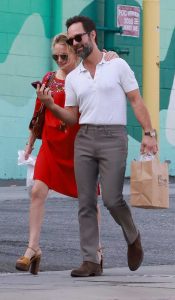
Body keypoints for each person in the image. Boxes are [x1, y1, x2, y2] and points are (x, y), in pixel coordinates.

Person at [36, 15, 158, 278]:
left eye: (78, 37)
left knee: (113, 199)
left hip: (114, 137)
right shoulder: (74, 78)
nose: (75, 43)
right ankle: (91, 260)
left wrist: (149, 133)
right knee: (86, 201)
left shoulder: (118, 65)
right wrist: (51, 106)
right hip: (85, 138)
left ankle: (133, 236)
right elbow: (71, 116)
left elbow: (136, 100)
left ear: (92, 35)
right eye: (71, 40)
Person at [15, 33, 118, 275]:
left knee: (89, 201)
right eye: (55, 56)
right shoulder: (49, 79)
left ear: (75, 53)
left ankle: (96, 251)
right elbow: (38, 115)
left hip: (79, 148)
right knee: (38, 190)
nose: (60, 60)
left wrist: (111, 57)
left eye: (64, 56)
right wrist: (30, 143)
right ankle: (33, 249)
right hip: (51, 146)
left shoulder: (87, 78)